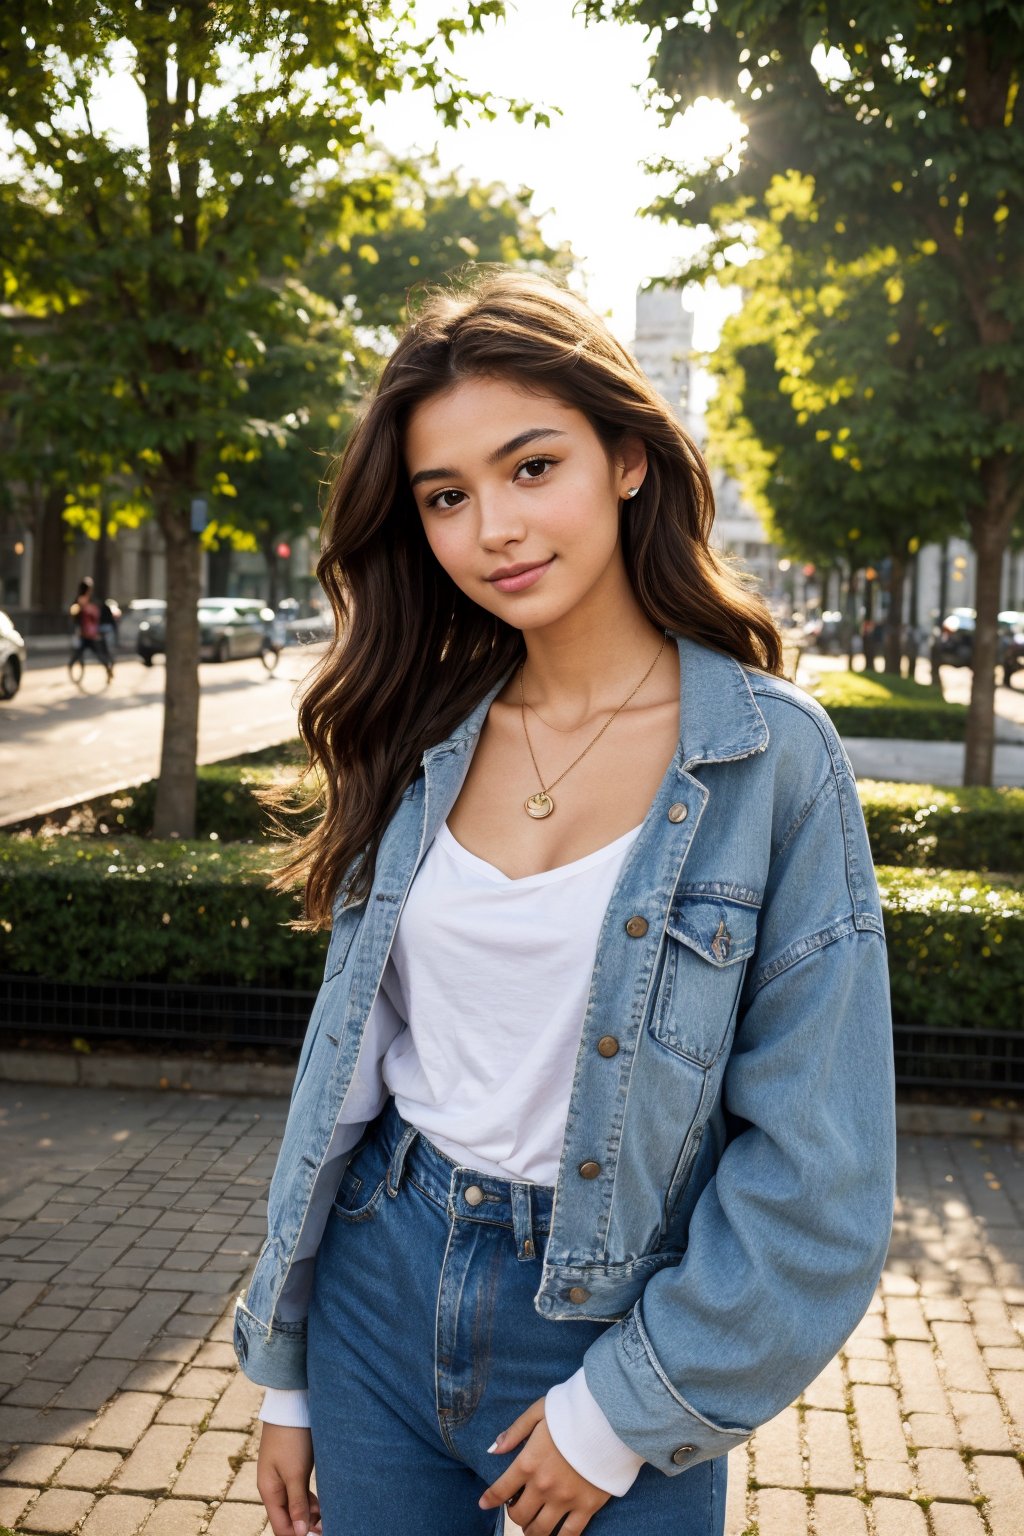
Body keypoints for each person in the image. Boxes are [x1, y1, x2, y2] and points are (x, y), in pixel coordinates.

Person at [233, 268, 896, 1536]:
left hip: (615, 1329)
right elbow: (348, 1072)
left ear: (629, 459)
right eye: (447, 495)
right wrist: (288, 1356)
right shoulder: (420, 733)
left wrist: (621, 1412)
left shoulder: (770, 761)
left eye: (531, 467)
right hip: (378, 1286)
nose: (492, 526)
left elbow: (823, 1168)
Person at [68, 577, 114, 681]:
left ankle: (74, 669)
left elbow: (75, 617)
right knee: (96, 653)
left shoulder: (80, 602)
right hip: (91, 633)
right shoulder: (92, 601)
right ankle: (107, 667)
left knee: (78, 654)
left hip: (84, 634)